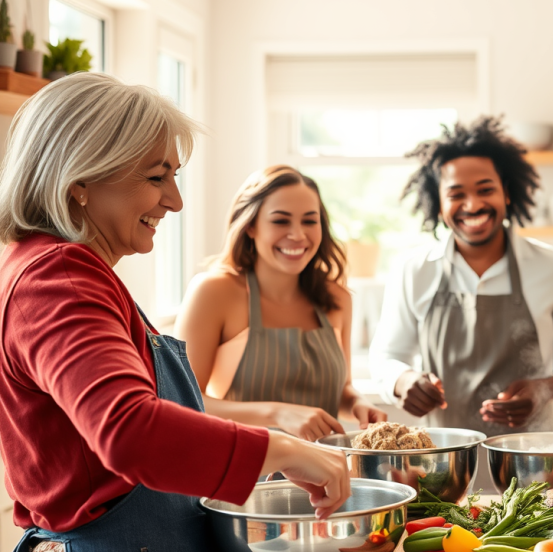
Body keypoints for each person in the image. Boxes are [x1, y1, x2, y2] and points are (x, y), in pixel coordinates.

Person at [0, 73, 350, 552]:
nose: (176, 201)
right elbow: (128, 430)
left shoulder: (65, 269)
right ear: (80, 181)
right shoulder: (57, 279)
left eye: (174, 177)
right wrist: (282, 448)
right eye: (155, 177)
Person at [369, 116, 553, 437]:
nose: (473, 204)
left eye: (486, 189)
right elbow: (386, 357)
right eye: (456, 194)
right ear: (439, 205)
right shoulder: (414, 271)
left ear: (506, 193)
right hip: (445, 463)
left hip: (532, 458)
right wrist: (403, 381)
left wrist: (547, 388)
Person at [175, 165, 386, 441]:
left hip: (325, 472)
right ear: (250, 226)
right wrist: (278, 414)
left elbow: (342, 390)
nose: (298, 235)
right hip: (244, 473)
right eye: (280, 221)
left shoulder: (337, 299)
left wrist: (357, 403)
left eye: (310, 221)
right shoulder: (214, 292)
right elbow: (182, 400)